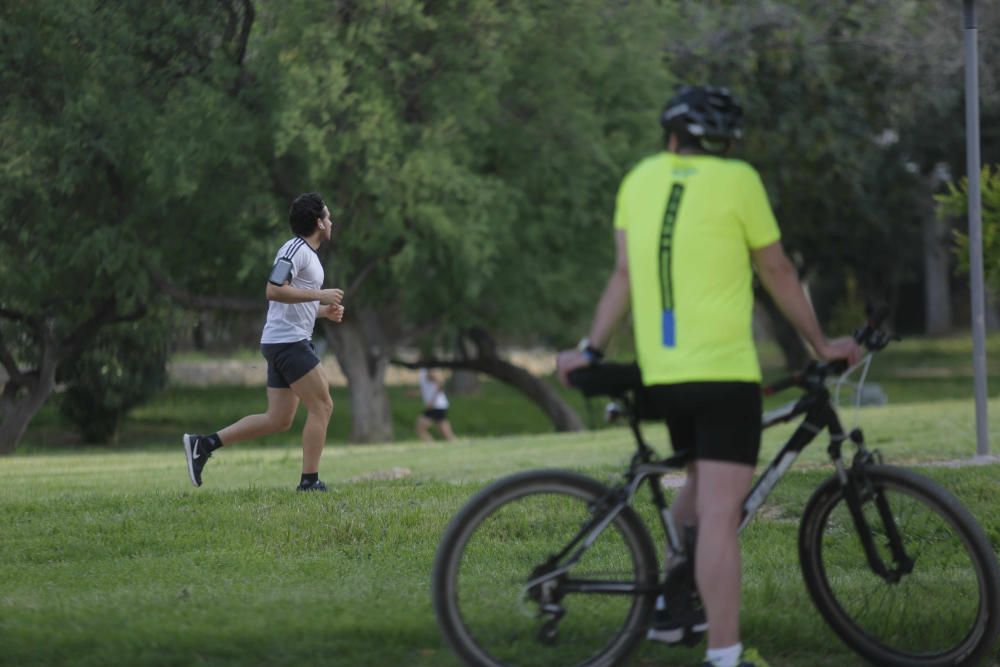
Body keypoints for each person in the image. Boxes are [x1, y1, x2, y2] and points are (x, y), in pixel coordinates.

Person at [557, 86, 860, 667]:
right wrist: (820, 343)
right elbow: (773, 267)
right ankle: (724, 655)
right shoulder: (738, 179)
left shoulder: (638, 179)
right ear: (725, 142)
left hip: (665, 374)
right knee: (722, 515)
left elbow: (623, 273)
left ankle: (673, 605)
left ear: (671, 136)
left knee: (698, 486)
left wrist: (590, 348)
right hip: (723, 374)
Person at [183, 192, 346, 492]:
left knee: (279, 419)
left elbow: (293, 304)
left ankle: (203, 445)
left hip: (285, 339)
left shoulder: (308, 254)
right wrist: (320, 295)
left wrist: (324, 311)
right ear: (319, 223)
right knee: (322, 405)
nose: (332, 221)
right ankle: (309, 482)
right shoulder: (295, 249)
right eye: (328, 215)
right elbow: (274, 289)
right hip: (289, 343)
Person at [415, 368, 456, 442]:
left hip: (436, 405)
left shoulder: (429, 369)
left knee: (420, 428)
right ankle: (455, 444)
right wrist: (415, 393)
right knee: (445, 432)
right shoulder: (422, 371)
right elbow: (428, 388)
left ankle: (432, 445)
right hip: (438, 406)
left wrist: (432, 401)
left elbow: (440, 383)